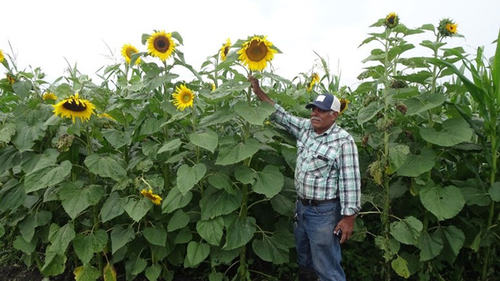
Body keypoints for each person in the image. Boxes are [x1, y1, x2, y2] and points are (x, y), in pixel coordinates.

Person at [248, 76, 361, 281]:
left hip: (324, 213)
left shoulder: (343, 141)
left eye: (321, 110)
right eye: (313, 109)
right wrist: (258, 91)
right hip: (302, 209)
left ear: (334, 115)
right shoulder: (306, 129)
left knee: (326, 265)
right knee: (305, 260)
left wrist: (348, 218)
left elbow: (350, 181)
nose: (314, 113)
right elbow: (280, 115)